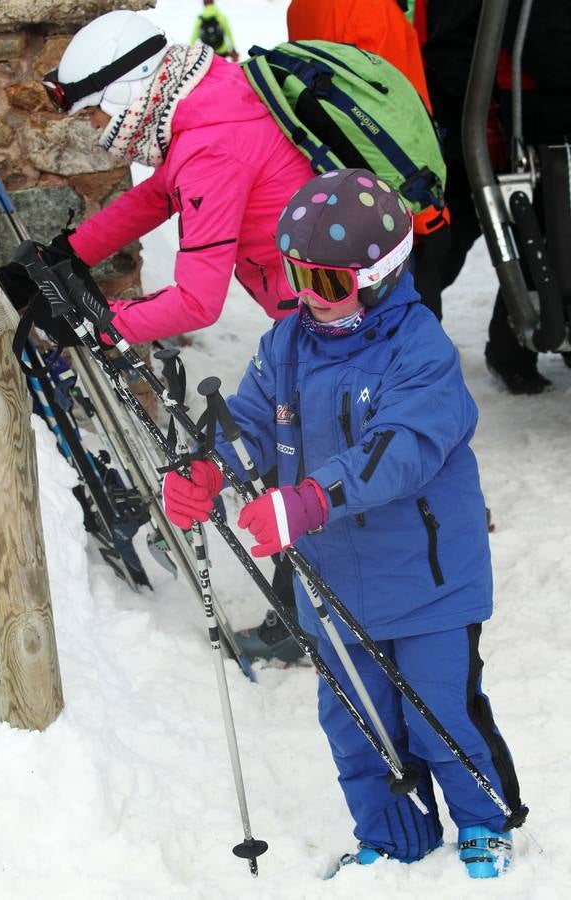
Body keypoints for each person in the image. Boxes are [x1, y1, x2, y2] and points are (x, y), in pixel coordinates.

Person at [162, 168, 528, 877]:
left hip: (428, 582)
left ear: (382, 275)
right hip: (332, 582)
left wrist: (309, 499)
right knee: (355, 723)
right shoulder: (286, 345)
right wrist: (213, 467)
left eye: (327, 283)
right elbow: (252, 423)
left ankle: (485, 819)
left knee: (438, 712)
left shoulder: (420, 352)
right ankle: (393, 835)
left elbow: (400, 449)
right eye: (297, 275)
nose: (307, 296)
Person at [0, 8, 315, 664]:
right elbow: (158, 197)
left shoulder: (209, 139)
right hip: (313, 306)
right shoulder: (205, 98)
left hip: (328, 320)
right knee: (308, 446)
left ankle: (305, 614)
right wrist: (64, 256)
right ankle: (313, 597)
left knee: (307, 450)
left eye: (96, 115)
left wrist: (95, 326)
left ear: (128, 90)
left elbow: (199, 300)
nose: (99, 131)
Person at [417, 0, 571, 394]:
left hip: (526, 97)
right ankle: (510, 348)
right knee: (470, 231)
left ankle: (534, 336)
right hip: (500, 105)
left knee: (547, 229)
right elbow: (450, 39)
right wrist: (487, 107)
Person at [286, 0, 451, 321]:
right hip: (396, 196)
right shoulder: (368, 9)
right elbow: (385, 121)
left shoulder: (304, 6)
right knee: (401, 321)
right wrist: (429, 213)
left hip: (342, 182)